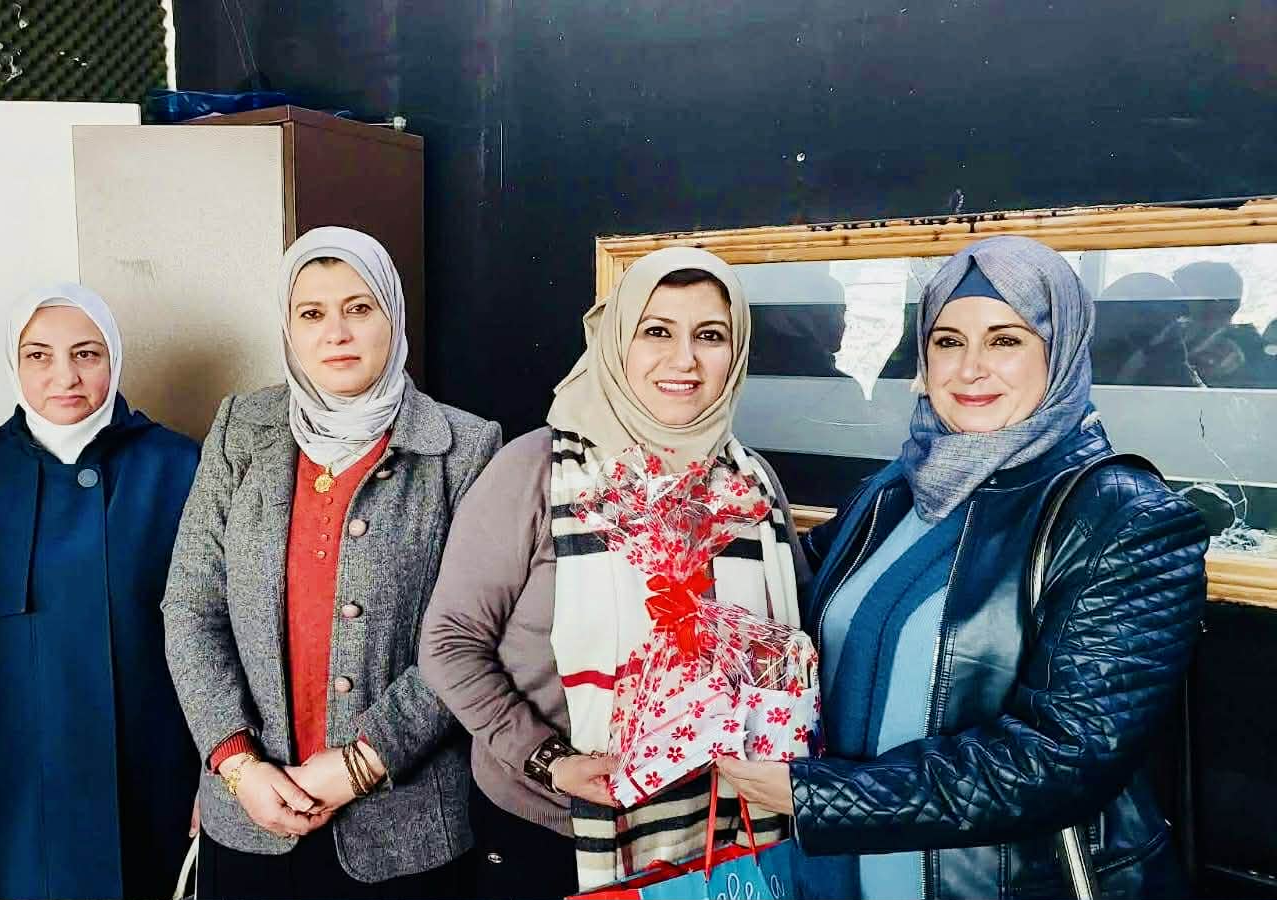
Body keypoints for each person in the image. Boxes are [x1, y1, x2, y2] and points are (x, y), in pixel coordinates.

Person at [717, 236, 1209, 899]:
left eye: (1005, 340)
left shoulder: (1123, 517)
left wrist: (817, 796)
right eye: (948, 341)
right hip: (837, 877)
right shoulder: (893, 491)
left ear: (1060, 350)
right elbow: (780, 606)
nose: (970, 369)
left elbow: (1064, 758)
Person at [420, 247, 809, 898]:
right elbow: (449, 642)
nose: (684, 360)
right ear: (617, 342)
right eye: (656, 331)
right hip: (555, 831)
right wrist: (550, 760)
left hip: (723, 833)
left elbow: (786, 645)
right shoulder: (536, 472)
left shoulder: (753, 484)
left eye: (710, 336)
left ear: (736, 354)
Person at [161, 227, 501, 899]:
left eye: (359, 308)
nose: (336, 333)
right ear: (288, 328)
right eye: (312, 313)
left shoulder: (464, 448)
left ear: (392, 316)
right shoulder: (240, 431)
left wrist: (362, 763)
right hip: (250, 817)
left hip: (406, 834)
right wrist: (236, 764)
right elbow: (191, 609)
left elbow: (470, 637)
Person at [0, 284, 201, 899]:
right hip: (9, 788)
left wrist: (220, 773)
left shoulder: (181, 468)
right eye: (38, 355)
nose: (64, 376)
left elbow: (226, 640)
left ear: (114, 359)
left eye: (86, 354)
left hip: (153, 780)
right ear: (14, 364)